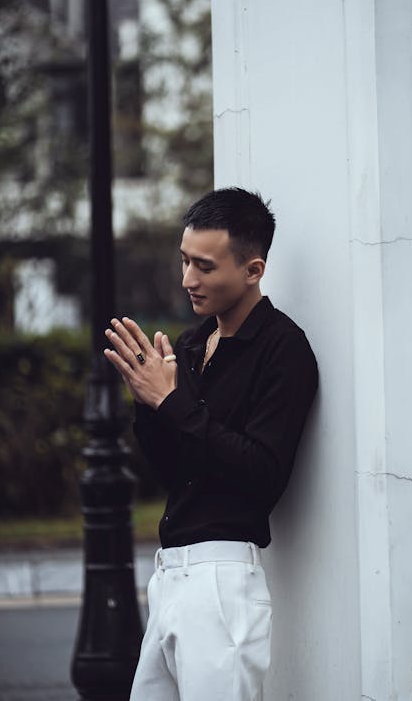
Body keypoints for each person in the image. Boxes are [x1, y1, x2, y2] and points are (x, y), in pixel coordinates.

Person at [104, 187, 318, 701]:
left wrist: (172, 403)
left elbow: (263, 472)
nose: (187, 280)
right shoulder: (192, 345)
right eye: (184, 261)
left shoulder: (283, 349)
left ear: (253, 270)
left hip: (222, 579)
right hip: (169, 572)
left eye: (204, 266)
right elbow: (176, 470)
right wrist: (148, 401)